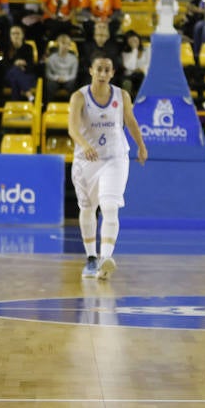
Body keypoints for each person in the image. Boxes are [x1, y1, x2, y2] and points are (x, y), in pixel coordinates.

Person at [69, 53, 147, 280]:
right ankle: (91, 258)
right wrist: (84, 145)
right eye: (99, 69)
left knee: (110, 205)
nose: (103, 73)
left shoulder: (121, 95)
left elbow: (130, 122)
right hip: (87, 161)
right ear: (91, 71)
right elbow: (72, 128)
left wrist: (141, 146)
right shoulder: (79, 97)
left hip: (115, 158)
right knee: (87, 208)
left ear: (112, 73)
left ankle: (106, 257)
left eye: (107, 70)